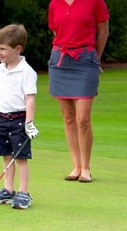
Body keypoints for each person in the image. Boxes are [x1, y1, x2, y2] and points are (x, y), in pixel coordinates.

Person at [48, 0, 110, 183]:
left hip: (85, 60)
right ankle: (76, 166)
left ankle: (86, 168)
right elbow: (56, 31)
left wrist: (94, 58)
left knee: (82, 119)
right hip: (60, 60)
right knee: (68, 116)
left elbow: (103, 32)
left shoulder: (95, 2)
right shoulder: (54, 3)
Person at [0, 24, 39, 209]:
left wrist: (29, 123)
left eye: (3, 49)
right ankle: (8, 190)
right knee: (6, 156)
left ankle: (23, 193)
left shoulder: (27, 72)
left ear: (18, 49)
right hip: (0, 119)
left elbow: (30, 99)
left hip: (19, 119)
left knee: (20, 157)